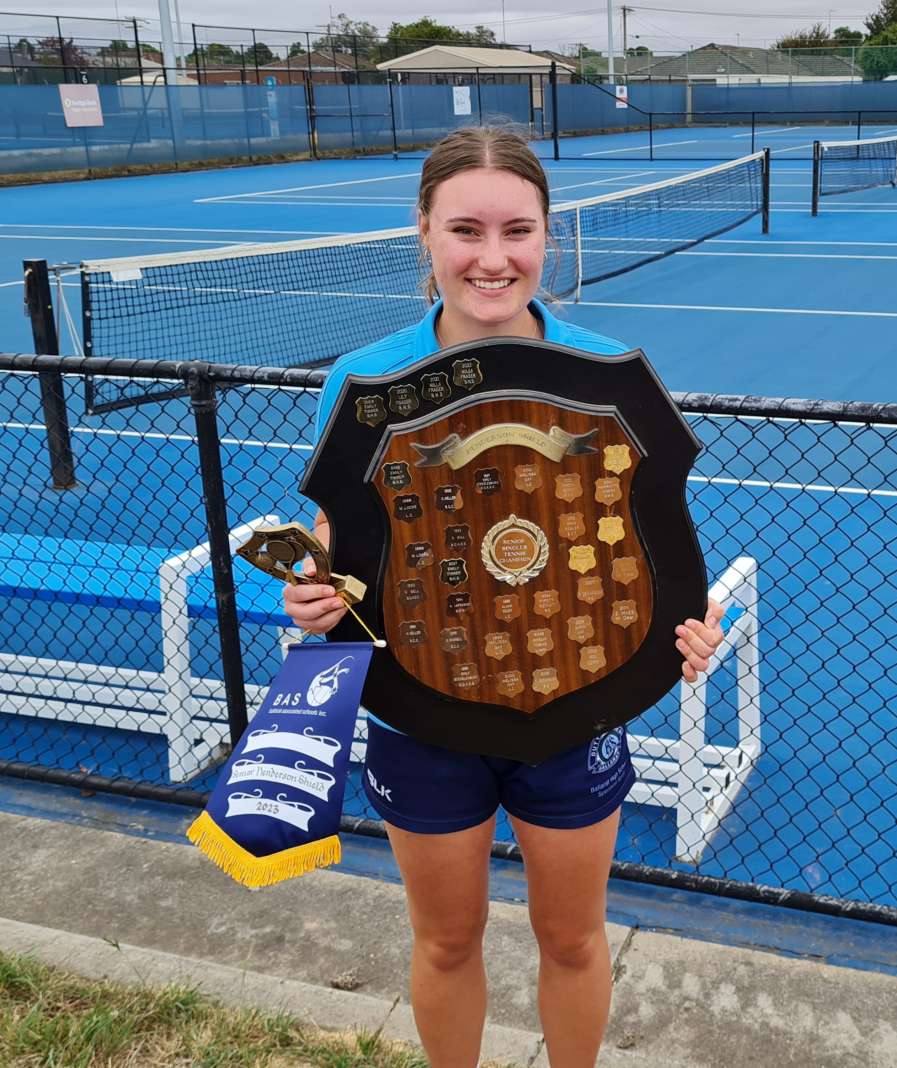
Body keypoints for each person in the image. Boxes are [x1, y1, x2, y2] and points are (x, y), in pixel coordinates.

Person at [283, 126, 724, 1068]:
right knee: (446, 942)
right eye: (465, 230)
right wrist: (314, 593)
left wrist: (685, 628)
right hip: (417, 713)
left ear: (548, 235)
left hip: (573, 709)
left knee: (571, 940)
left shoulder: (610, 377)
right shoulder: (362, 381)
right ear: (423, 232)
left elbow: (648, 544)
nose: (493, 258)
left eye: (517, 230)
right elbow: (338, 541)